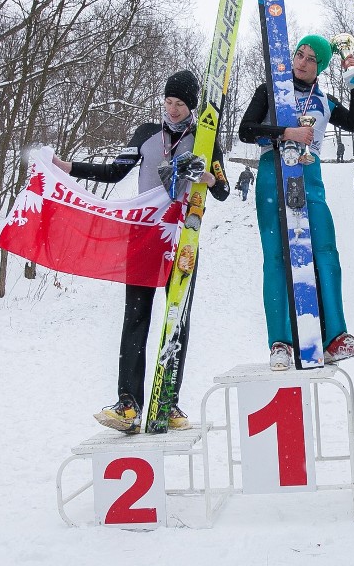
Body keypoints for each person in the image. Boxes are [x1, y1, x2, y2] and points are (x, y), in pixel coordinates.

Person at [53, 70, 230, 433]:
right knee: (135, 318)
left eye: (180, 104)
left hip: (181, 241)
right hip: (143, 235)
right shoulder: (147, 133)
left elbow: (224, 189)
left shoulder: (205, 138)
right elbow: (114, 172)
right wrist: (69, 168)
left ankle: (169, 401)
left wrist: (206, 177)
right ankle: (128, 404)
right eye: (168, 102)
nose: (173, 109)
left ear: (191, 106)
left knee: (177, 319)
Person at [239, 34, 354, 370]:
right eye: (300, 54)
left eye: (311, 59)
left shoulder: (324, 100)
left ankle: (335, 338)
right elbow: (245, 130)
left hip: (309, 175)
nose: (301, 62)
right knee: (276, 257)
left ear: (320, 67)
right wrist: (286, 133)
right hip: (274, 170)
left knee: (326, 252)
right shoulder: (271, 89)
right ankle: (281, 343)